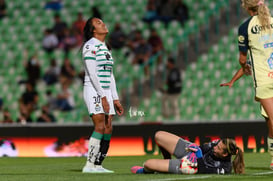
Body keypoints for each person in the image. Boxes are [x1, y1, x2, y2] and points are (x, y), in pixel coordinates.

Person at [81, 17, 124, 173]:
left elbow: (110, 74)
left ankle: (98, 164)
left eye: (102, 22)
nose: (103, 24)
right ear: (93, 30)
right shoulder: (90, 46)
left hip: (105, 90)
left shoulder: (105, 47)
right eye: (98, 23)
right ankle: (89, 165)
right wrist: (103, 97)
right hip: (93, 89)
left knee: (108, 127)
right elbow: (92, 74)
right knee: (99, 126)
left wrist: (115, 98)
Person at [237, 0, 273, 170]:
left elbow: (242, 58)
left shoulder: (245, 27)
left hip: (264, 81)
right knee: (270, 122)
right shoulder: (272, 21)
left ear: (246, 7)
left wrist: (244, 67)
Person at [131, 130, 245, 174]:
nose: (215, 147)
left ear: (225, 154)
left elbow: (203, 171)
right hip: (191, 156)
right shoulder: (217, 143)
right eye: (217, 145)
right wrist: (195, 149)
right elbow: (203, 148)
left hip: (192, 166)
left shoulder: (225, 168)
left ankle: (149, 171)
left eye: (218, 148)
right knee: (159, 135)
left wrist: (199, 157)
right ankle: (166, 162)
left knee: (148, 164)